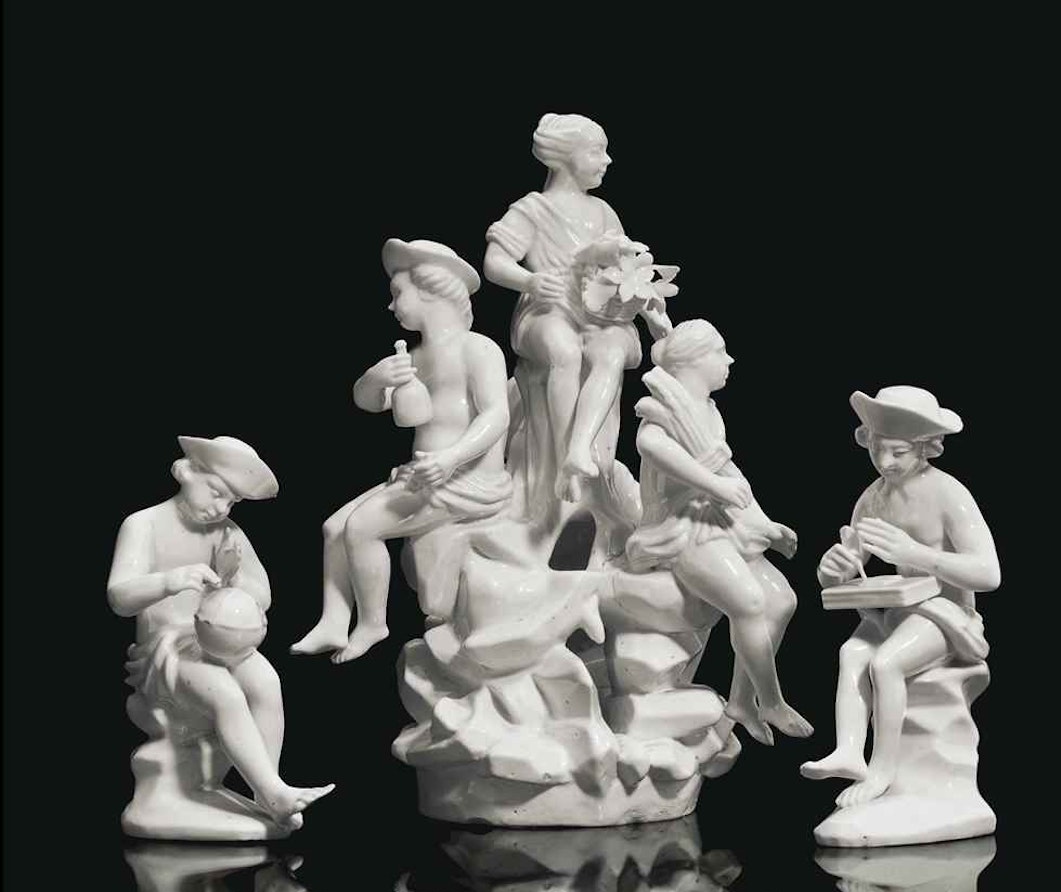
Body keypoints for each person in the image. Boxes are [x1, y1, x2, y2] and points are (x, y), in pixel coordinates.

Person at [291, 239, 512, 663]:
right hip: (424, 475)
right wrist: (374, 380)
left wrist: (451, 458)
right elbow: (370, 402)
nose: (391, 306)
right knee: (334, 528)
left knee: (361, 528)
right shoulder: (414, 358)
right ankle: (334, 621)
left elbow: (496, 415)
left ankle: (374, 623)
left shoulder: (478, 348)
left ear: (431, 290)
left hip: (468, 480)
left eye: (398, 294)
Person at [108, 436, 334, 828]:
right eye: (216, 492)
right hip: (166, 648)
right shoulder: (143, 524)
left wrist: (231, 580)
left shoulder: (227, 533)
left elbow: (262, 594)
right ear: (186, 472)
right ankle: (274, 793)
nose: (221, 508)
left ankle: (267, 790)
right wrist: (170, 581)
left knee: (266, 682)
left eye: (231, 501)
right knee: (226, 694)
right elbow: (119, 597)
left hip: (221, 642)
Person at [800, 386, 1000, 807]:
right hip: (898, 611)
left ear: (926, 448)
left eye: (898, 452)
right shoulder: (873, 498)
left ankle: (882, 772)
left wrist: (913, 554)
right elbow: (849, 563)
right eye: (877, 449)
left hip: (948, 615)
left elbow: (988, 573)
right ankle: (849, 752)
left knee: (886, 663)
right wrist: (831, 569)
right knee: (852, 652)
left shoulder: (949, 494)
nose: (885, 461)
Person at [623, 320, 812, 743]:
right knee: (749, 601)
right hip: (680, 527)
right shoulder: (661, 408)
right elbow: (652, 446)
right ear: (693, 360)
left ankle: (742, 701)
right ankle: (772, 701)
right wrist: (712, 485)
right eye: (719, 352)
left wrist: (765, 523)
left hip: (716, 521)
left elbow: (730, 472)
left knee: (782, 600)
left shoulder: (706, 410)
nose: (729, 360)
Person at [484, 113, 671, 504]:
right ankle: (558, 461)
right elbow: (495, 263)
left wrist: (647, 307)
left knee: (611, 352)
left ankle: (579, 450)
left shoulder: (603, 212)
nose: (607, 161)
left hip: (599, 316)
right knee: (564, 351)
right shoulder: (532, 209)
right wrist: (530, 281)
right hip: (546, 311)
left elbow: (626, 270)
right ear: (565, 156)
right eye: (597, 152)